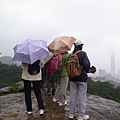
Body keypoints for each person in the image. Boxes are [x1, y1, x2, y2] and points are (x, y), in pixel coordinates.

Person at [69, 39, 91, 120]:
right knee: (82, 96)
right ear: (81, 46)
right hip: (81, 78)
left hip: (72, 78)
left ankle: (71, 113)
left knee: (72, 95)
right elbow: (86, 65)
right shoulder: (82, 54)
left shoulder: (71, 54)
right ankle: (81, 115)